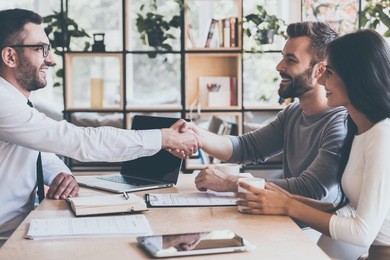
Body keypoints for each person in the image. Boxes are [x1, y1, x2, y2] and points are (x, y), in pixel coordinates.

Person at [0, 8, 200, 242]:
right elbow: (79, 140)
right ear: (10, 57)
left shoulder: (15, 103)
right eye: (40, 49)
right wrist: (165, 138)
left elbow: (36, 149)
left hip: (15, 231)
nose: (51, 59)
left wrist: (59, 174)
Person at [237, 29, 390, 259]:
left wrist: (287, 205)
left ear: (355, 76)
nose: (319, 80)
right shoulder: (358, 129)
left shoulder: (382, 134)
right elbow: (349, 210)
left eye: (328, 72)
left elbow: (362, 232)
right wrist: (283, 199)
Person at [179, 21, 346, 202]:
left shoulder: (340, 124)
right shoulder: (293, 113)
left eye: (290, 60)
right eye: (283, 57)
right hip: (283, 219)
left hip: (311, 229)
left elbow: (310, 189)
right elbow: (245, 148)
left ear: (319, 70)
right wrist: (197, 135)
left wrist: (230, 182)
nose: (279, 66)